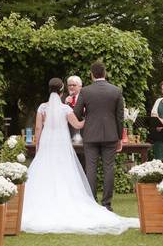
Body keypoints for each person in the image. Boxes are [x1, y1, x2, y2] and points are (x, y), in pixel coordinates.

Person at [24, 78, 137, 234]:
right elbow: (77, 125)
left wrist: (37, 146)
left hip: (47, 144)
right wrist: (90, 118)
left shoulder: (42, 108)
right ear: (62, 90)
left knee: (46, 172)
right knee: (64, 173)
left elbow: (38, 128)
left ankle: (45, 203)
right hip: (62, 145)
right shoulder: (65, 109)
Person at [73, 62, 125, 210]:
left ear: (91, 74)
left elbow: (76, 113)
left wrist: (87, 117)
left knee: (91, 168)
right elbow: (120, 117)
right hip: (110, 135)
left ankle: (91, 202)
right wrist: (120, 138)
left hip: (90, 135)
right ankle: (107, 204)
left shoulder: (85, 91)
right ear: (105, 73)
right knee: (109, 168)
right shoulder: (116, 91)